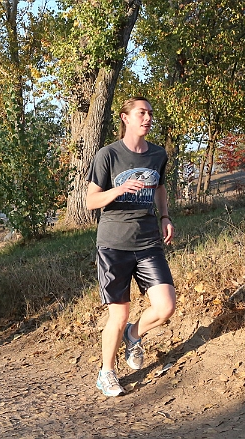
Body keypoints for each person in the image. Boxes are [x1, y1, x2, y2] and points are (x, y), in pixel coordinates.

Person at [86, 96, 176, 397]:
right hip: (114, 244)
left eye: (150, 113)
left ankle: (133, 335)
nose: (148, 118)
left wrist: (164, 215)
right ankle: (107, 373)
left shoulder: (157, 155)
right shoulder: (107, 155)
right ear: (126, 118)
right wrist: (120, 189)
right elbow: (90, 201)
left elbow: (160, 187)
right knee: (119, 313)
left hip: (148, 240)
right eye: (142, 113)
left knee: (165, 307)